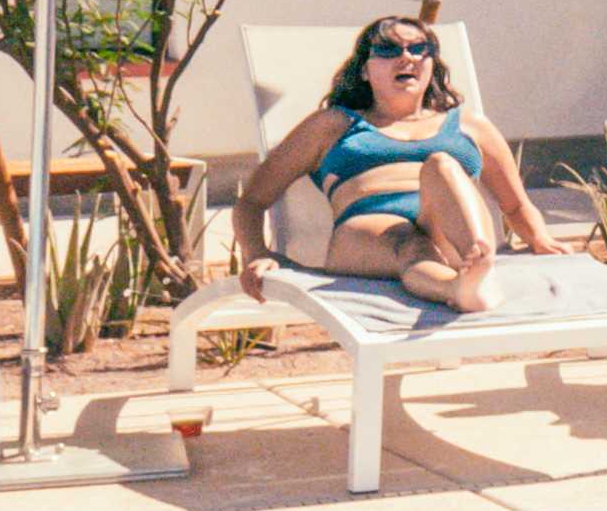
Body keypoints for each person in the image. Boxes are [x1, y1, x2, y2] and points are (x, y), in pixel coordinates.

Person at [237, 16, 564, 314]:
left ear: (432, 64)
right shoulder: (333, 124)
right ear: (364, 70)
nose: (405, 57)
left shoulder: (471, 125)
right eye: (388, 49)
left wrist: (539, 238)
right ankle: (462, 286)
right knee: (412, 244)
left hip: (451, 234)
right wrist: (256, 252)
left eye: (418, 49)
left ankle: (476, 267)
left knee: (442, 165)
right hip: (369, 230)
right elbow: (252, 201)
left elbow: (516, 204)